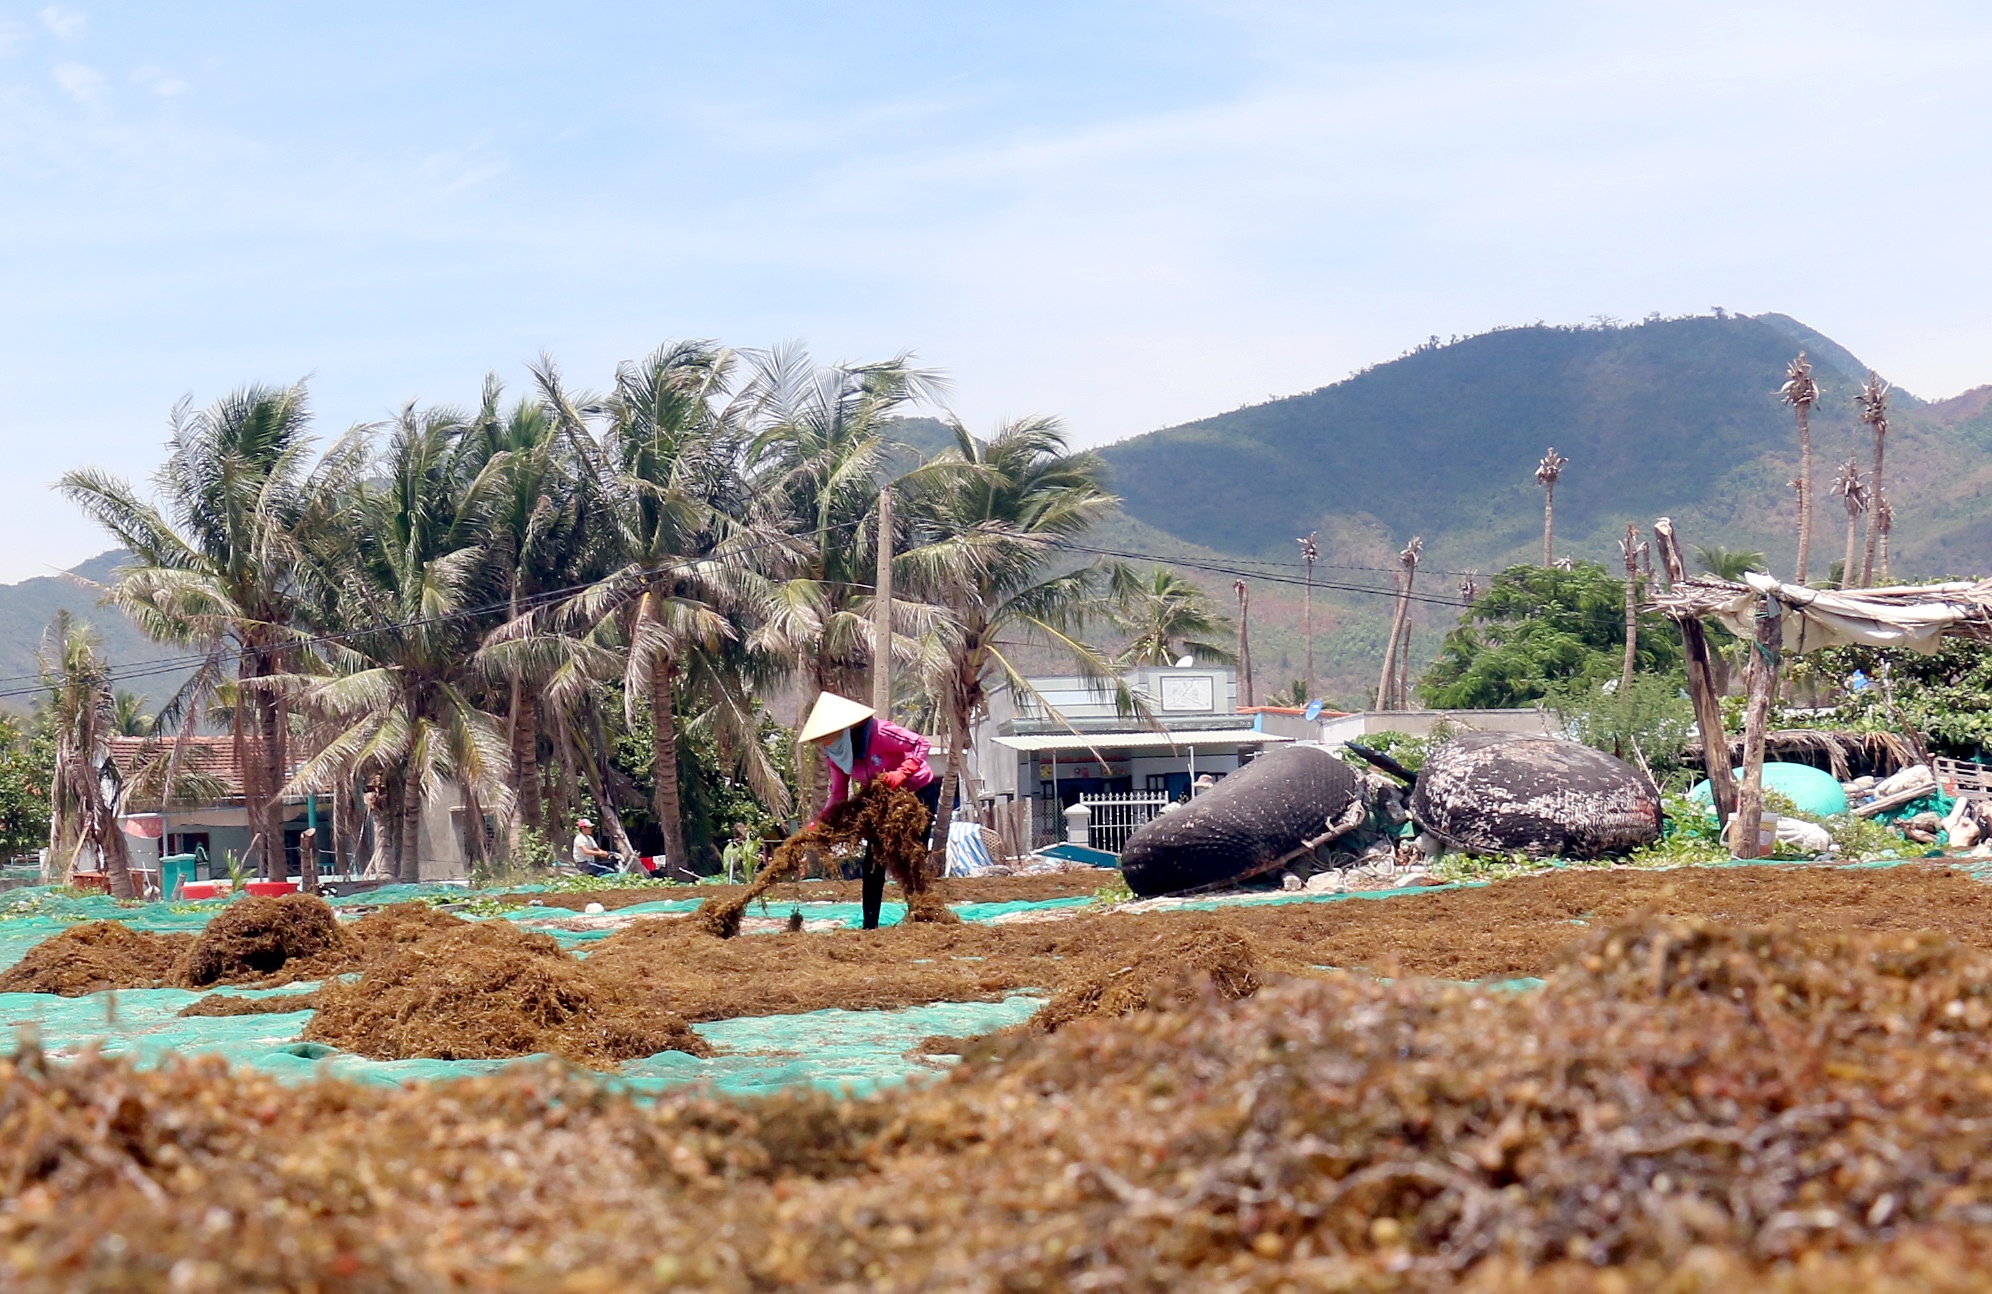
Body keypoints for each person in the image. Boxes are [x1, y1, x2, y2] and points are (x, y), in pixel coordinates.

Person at [797, 692, 939, 929]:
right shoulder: (840, 758)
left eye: (831, 739)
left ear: (846, 730)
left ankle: (921, 913)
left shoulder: (880, 733)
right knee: (874, 861)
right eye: (825, 742)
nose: (828, 745)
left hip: (917, 795)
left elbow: (921, 743)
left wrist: (902, 772)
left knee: (913, 857)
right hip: (882, 802)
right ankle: (869, 923)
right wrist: (820, 822)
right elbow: (839, 795)